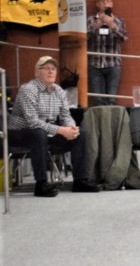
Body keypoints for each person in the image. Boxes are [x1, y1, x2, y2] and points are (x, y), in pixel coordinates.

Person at [7, 56, 101, 196]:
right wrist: (60, 130)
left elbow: (65, 116)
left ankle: (80, 180)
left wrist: (71, 128)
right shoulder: (27, 90)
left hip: (45, 132)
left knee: (81, 133)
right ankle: (41, 184)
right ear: (37, 72)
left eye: (53, 69)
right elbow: (32, 122)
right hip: (19, 134)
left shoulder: (59, 91)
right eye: (46, 68)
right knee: (38, 133)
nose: (51, 71)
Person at [86, 0, 128, 105]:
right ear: (97, 4)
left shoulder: (119, 20)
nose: (105, 3)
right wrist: (97, 25)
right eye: (102, 1)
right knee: (98, 100)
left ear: (112, 3)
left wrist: (113, 26)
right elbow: (84, 37)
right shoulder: (90, 20)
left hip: (113, 64)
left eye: (108, 0)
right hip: (95, 64)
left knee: (111, 100)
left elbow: (124, 38)